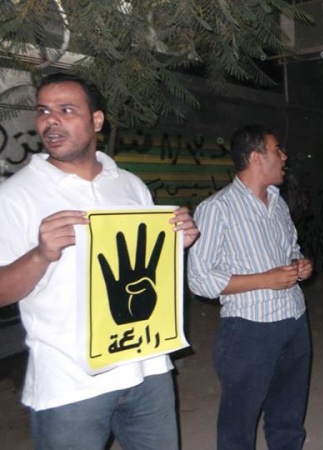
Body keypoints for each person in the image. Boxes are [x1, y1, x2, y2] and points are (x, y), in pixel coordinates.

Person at [0, 73, 198, 449]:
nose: (51, 121)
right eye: (43, 111)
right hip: (70, 384)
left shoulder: (130, 185)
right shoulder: (15, 196)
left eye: (66, 110)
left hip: (148, 370)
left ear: (96, 120)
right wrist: (40, 254)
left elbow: (145, 266)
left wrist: (177, 242)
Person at [187, 125, 314, 450]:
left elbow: (291, 250)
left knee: (288, 420)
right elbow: (200, 279)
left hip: (294, 321)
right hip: (249, 332)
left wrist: (300, 265)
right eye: (277, 150)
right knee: (238, 428)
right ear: (256, 158)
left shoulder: (278, 203)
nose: (284, 156)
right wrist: (265, 280)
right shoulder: (217, 208)